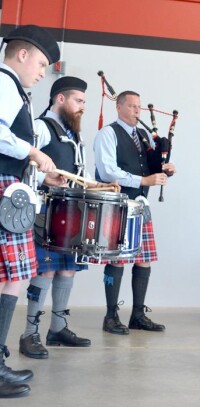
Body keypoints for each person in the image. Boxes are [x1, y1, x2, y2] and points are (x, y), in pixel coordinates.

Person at [0, 25, 60, 398]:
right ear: (22, 54)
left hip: (12, 189)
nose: (42, 72)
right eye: (40, 63)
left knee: (13, 278)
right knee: (9, 278)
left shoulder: (15, 89)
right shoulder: (4, 83)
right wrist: (32, 151)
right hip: (3, 188)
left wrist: (39, 174)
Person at [19, 76, 92, 360]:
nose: (82, 107)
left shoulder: (74, 133)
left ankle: (58, 328)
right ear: (59, 99)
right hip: (45, 212)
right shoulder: (41, 127)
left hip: (70, 213)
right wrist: (45, 178)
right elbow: (24, 166)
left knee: (67, 270)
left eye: (85, 102)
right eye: (78, 100)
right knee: (45, 271)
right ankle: (29, 334)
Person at [94, 90, 175, 335]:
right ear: (119, 107)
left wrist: (164, 170)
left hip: (139, 204)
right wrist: (144, 179)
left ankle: (137, 315)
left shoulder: (142, 135)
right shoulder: (108, 133)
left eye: (139, 107)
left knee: (143, 259)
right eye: (131, 106)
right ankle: (110, 317)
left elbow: (149, 168)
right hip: (117, 203)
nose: (137, 111)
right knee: (117, 259)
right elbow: (107, 172)